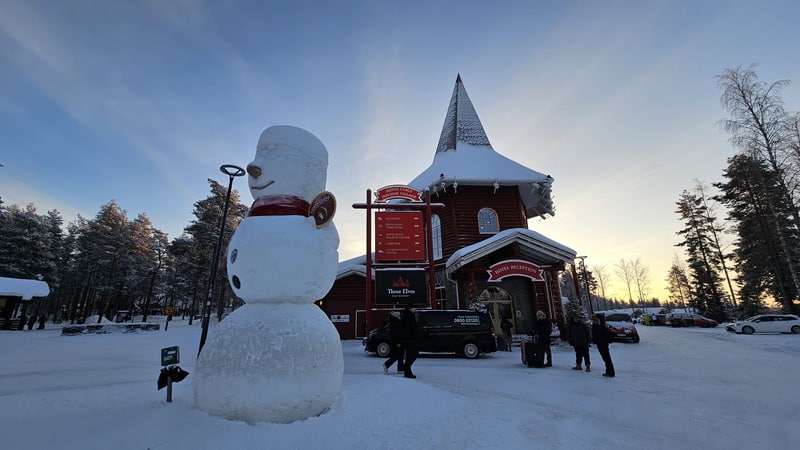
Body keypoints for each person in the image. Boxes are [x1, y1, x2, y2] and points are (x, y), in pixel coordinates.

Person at [400, 303, 418, 379]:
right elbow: (407, 329)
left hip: (410, 339)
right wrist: (410, 338)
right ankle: (407, 371)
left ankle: (406, 368)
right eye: (414, 308)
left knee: (413, 355)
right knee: (411, 355)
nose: (415, 310)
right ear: (410, 308)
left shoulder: (409, 315)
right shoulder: (408, 316)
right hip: (409, 340)